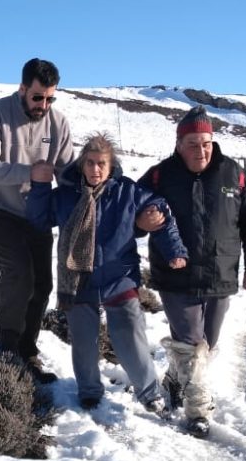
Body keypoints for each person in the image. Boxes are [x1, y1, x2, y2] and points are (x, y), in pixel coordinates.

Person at [27, 132, 187, 414]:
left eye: (102, 163)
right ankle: (89, 391)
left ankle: (150, 393)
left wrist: (175, 250)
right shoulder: (66, 194)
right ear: (82, 164)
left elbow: (161, 214)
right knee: (83, 340)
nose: (95, 169)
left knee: (130, 335)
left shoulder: (127, 192)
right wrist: (39, 186)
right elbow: (38, 219)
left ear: (111, 166)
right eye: (90, 162)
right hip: (78, 278)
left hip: (119, 276)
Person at [136, 106, 246, 438]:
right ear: (179, 143)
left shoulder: (234, 176)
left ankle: (173, 379)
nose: (201, 150)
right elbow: (131, 214)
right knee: (192, 343)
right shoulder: (159, 176)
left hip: (219, 275)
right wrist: (141, 222)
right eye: (193, 143)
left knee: (206, 345)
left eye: (206, 142)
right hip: (174, 277)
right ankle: (198, 411)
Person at [0, 58, 76, 384]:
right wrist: (28, 172)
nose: (43, 105)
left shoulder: (58, 124)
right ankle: (6, 346)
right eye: (37, 97)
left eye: (49, 98)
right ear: (22, 89)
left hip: (36, 214)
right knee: (19, 274)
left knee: (43, 283)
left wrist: (98, 183)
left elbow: (68, 172)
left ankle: (27, 351)